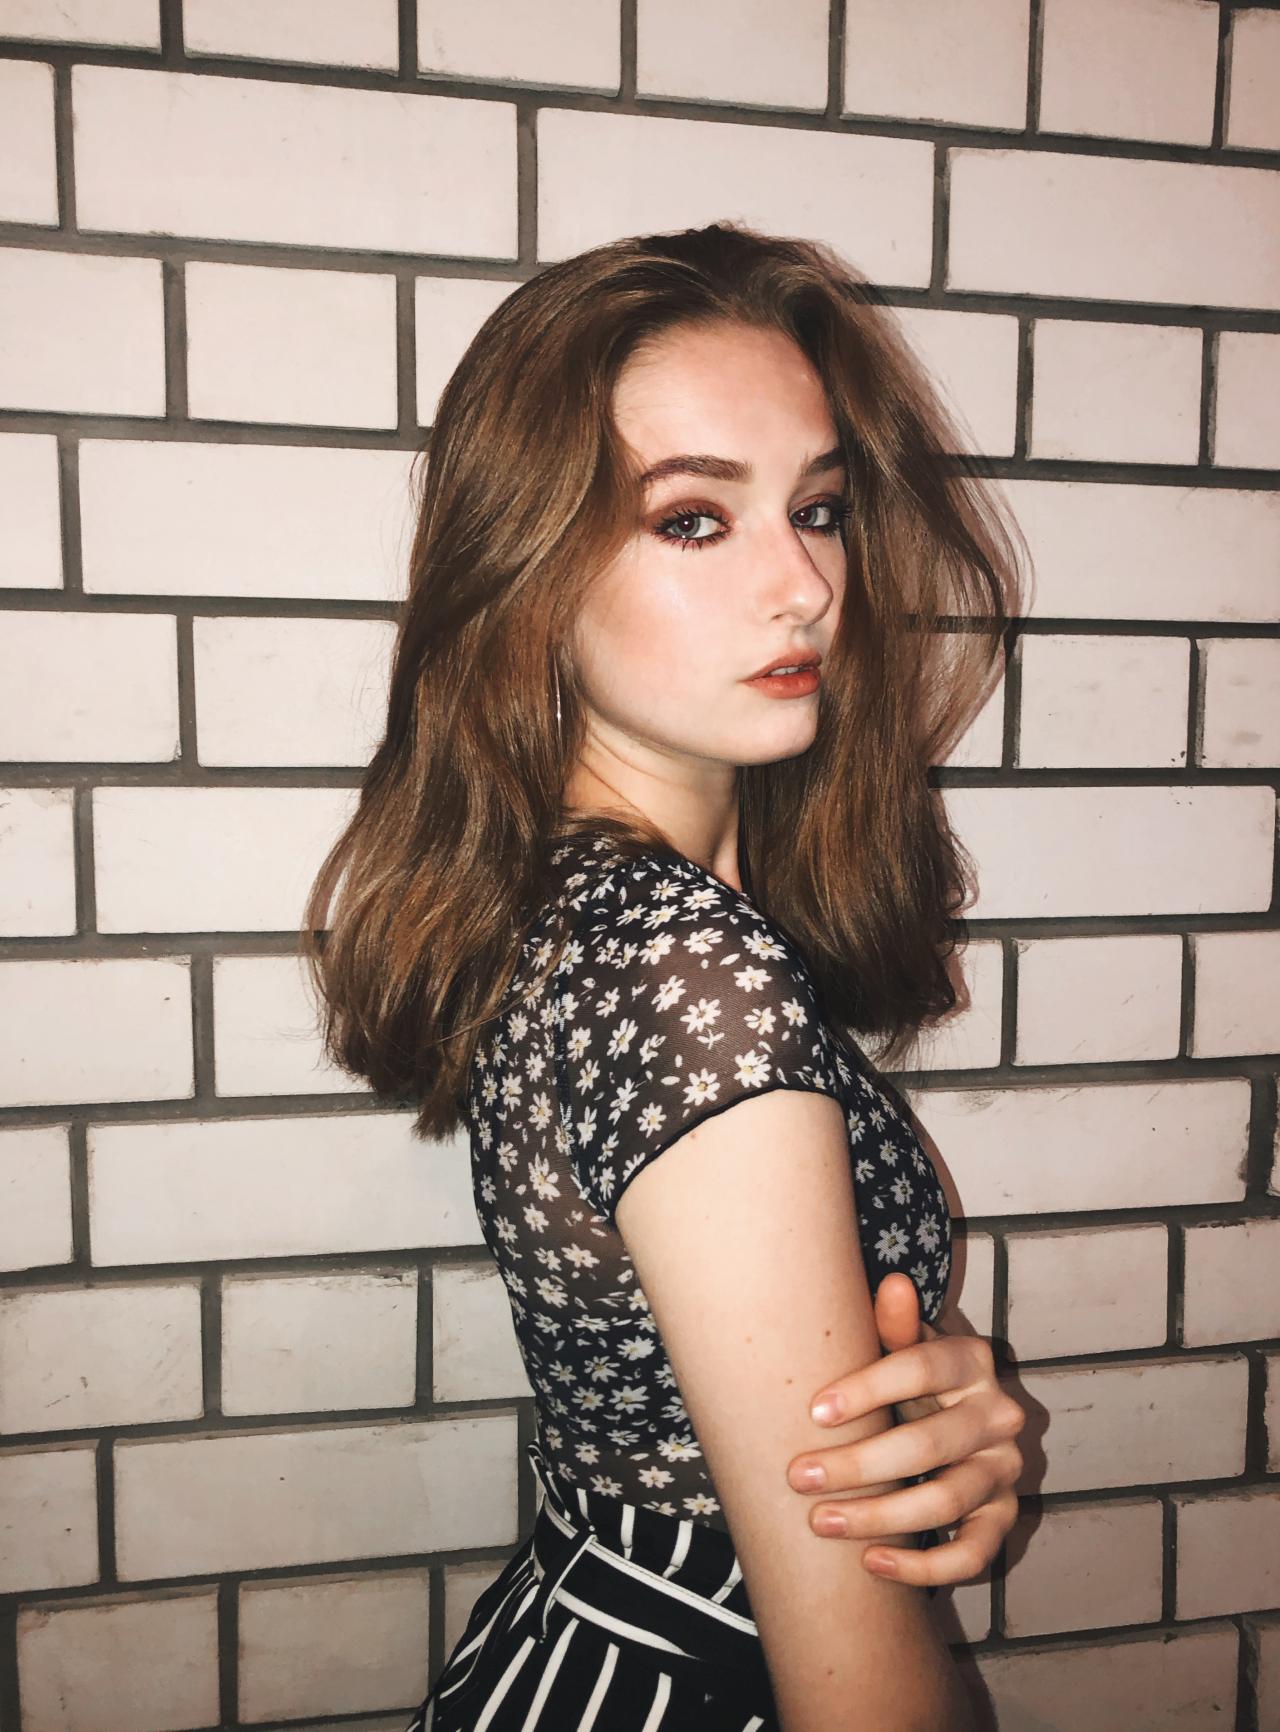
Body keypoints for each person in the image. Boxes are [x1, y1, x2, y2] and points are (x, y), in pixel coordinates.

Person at [302, 221, 1029, 1731]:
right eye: (695, 520)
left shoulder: (586, 908)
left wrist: (942, 1388)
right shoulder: (681, 965)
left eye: (818, 510)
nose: (804, 585)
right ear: (528, 567)